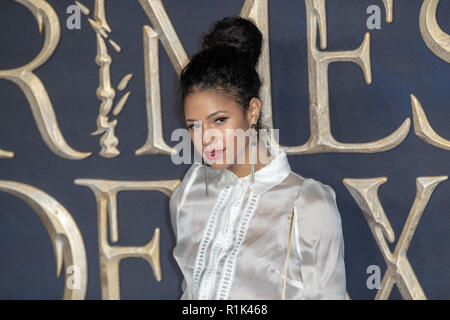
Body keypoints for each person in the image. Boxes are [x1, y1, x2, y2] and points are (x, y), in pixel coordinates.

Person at [169, 16, 346, 300]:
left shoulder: (308, 204)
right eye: (194, 126)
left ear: (252, 111)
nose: (206, 139)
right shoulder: (189, 195)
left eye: (219, 120)